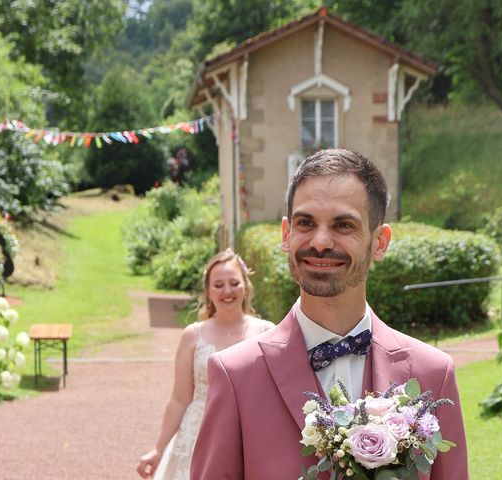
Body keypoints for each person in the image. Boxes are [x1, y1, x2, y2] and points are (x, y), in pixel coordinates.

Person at [190, 149, 469, 479]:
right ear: (285, 234)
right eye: (305, 223)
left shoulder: (433, 375)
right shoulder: (235, 375)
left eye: (343, 225)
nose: (320, 242)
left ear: (380, 242)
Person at [137, 250, 274, 479]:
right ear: (208, 292)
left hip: (248, 433)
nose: (227, 291)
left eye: (234, 283)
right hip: (197, 435)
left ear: (246, 286)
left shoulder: (267, 332)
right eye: (218, 285)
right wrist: (158, 449)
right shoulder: (193, 336)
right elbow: (179, 399)